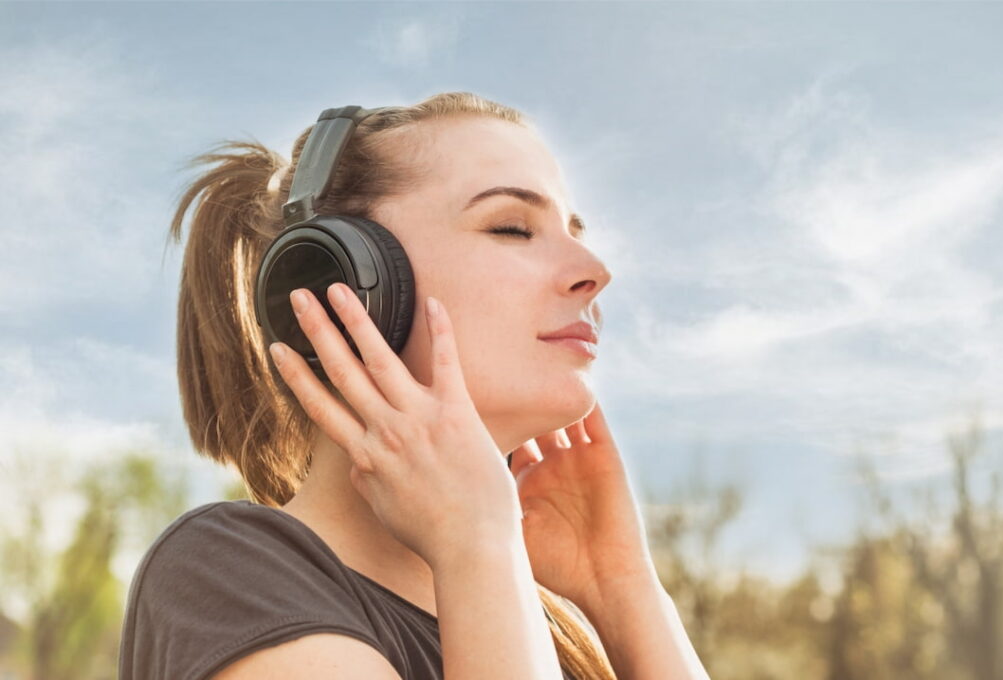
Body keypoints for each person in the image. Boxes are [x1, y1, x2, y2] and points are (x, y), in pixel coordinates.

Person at [118, 91, 710, 680]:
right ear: (338, 279)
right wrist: (475, 542)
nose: (596, 270)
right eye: (511, 227)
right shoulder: (230, 576)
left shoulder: (551, 625)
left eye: (575, 231)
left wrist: (622, 584)